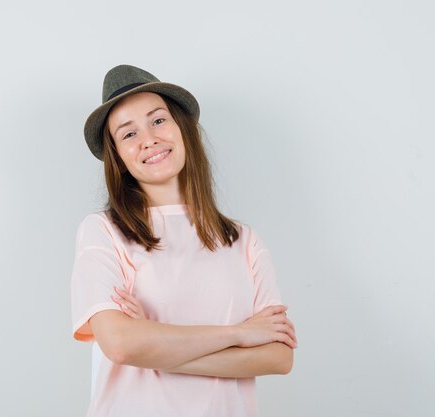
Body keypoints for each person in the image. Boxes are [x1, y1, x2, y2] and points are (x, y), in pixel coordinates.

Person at [70, 64, 297, 417]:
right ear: (119, 157)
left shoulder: (243, 241)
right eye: (128, 134)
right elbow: (121, 345)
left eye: (158, 120)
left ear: (182, 128)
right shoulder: (103, 231)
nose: (149, 139)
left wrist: (156, 344)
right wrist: (240, 334)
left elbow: (279, 356)